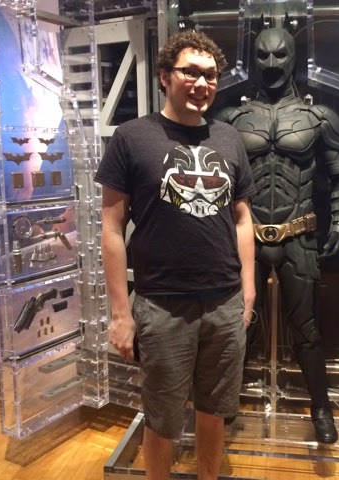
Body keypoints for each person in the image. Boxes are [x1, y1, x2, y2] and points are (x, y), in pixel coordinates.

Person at [95, 30, 256, 480]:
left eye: (211, 75)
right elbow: (111, 228)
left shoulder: (229, 139)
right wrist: (120, 313)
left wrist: (247, 290)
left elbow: (243, 218)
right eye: (191, 72)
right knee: (162, 419)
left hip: (224, 302)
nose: (202, 83)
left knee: (215, 411)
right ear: (165, 76)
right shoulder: (132, 137)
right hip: (162, 304)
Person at [217, 27, 339, 444]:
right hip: (246, 239)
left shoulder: (319, 117)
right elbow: (213, 182)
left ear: (294, 57)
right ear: (253, 59)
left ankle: (320, 408)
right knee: (237, 327)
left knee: (308, 331)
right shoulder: (230, 119)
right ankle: (226, 403)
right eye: (263, 55)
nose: (272, 64)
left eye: (280, 55)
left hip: (299, 237)